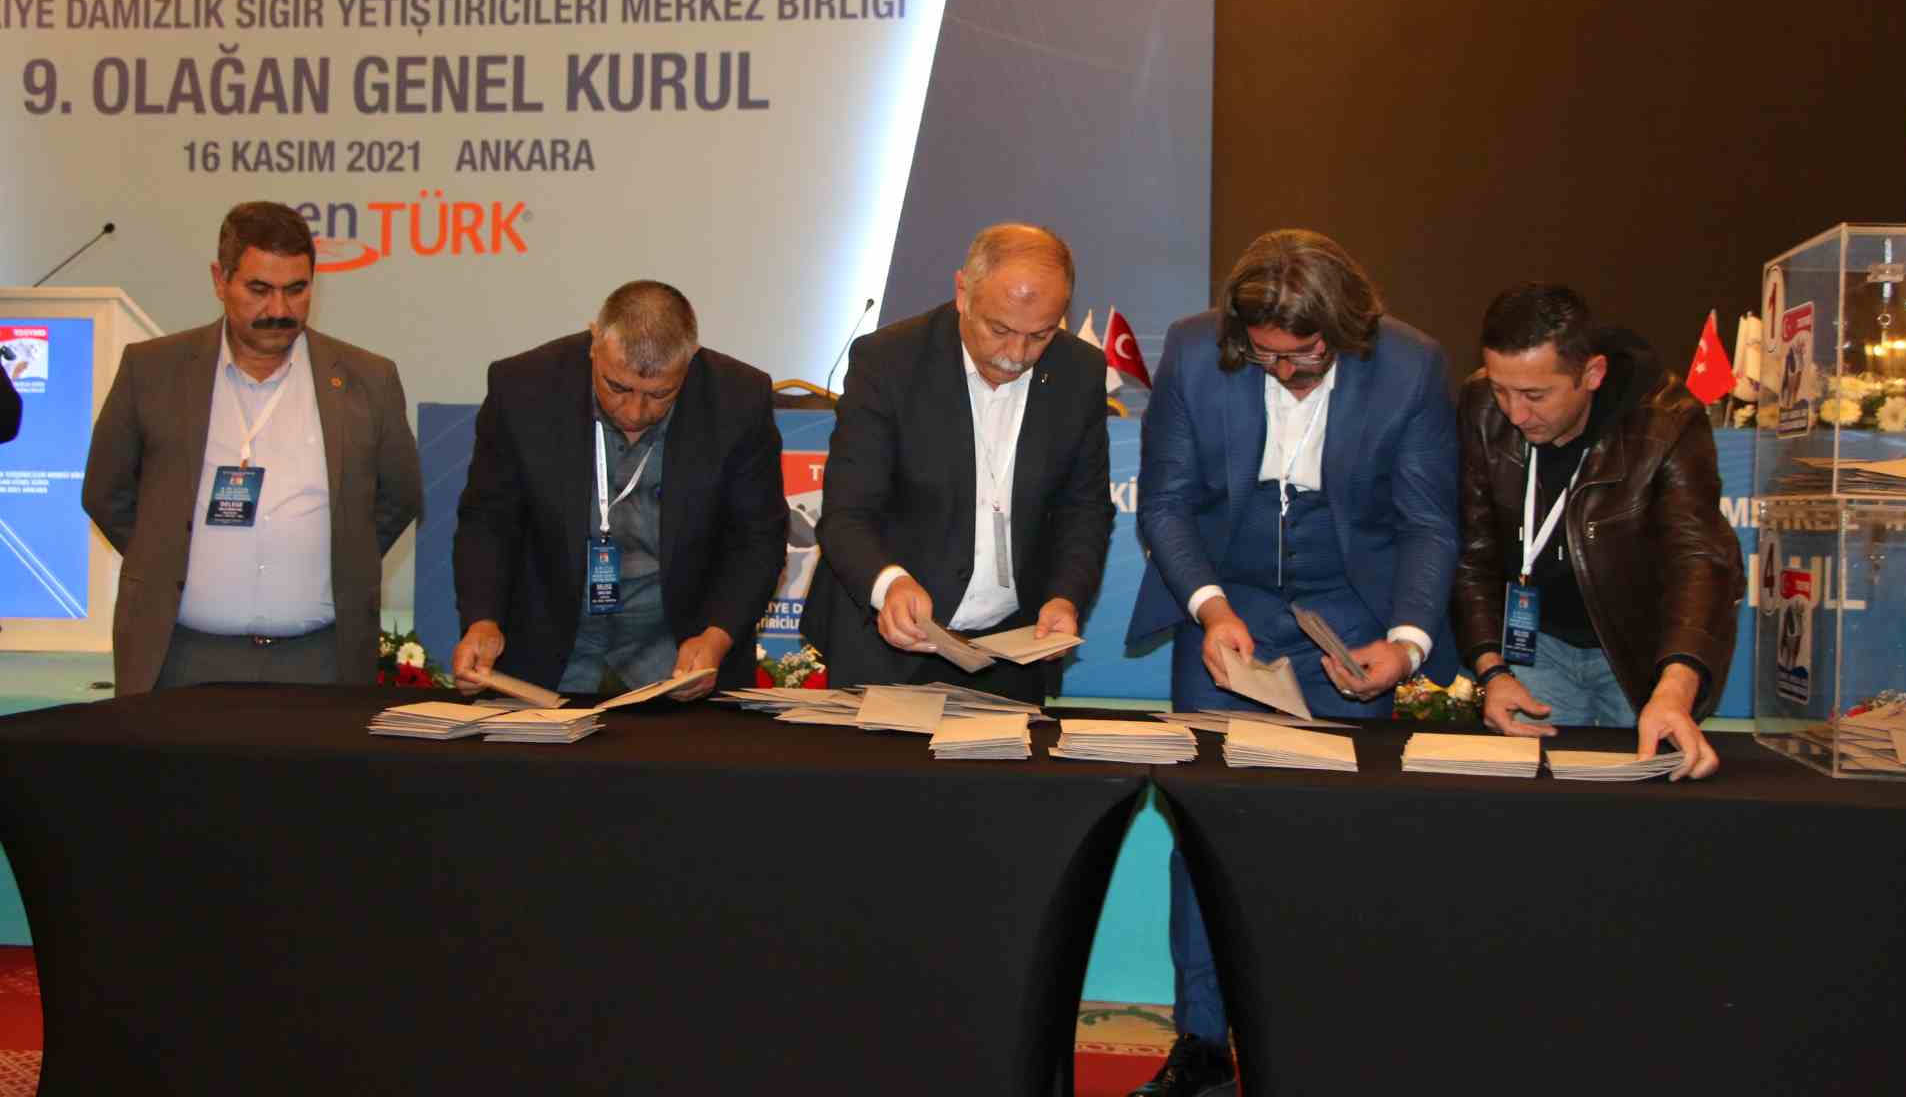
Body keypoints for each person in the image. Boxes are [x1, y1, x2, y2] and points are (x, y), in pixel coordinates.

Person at [1125, 228, 1459, 1096]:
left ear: (1346, 328)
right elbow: (1165, 504)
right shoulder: (1196, 352)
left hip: (1349, 614)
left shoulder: (1411, 366)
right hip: (1227, 609)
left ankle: (1322, 1037)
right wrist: (1210, 608)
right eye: (1265, 356)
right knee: (1203, 833)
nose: (1284, 372)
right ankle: (1203, 1043)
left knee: (1332, 837)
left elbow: (1428, 522)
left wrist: (1407, 643)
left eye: (1303, 356)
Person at [81, 201, 421, 693]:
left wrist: (342, 557)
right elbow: (106, 492)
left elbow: (399, 497)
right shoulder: (151, 370)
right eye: (259, 290)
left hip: (321, 661)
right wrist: (163, 556)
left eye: (296, 290)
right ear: (220, 281)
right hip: (179, 658)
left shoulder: (369, 378)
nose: (279, 310)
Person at [800, 222, 1114, 706]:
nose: (1016, 355)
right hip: (887, 648)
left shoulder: (1080, 372)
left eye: (1040, 335)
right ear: (963, 292)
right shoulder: (888, 361)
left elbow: (1085, 508)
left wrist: (1065, 596)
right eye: (1000, 329)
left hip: (1013, 652)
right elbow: (847, 512)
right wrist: (889, 583)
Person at [1456, 282, 1741, 779]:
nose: (1515, 414)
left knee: (1636, 798)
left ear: (1592, 373)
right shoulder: (1481, 407)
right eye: (1502, 390)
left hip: (1634, 650)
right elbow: (1473, 552)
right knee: (1533, 794)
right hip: (1535, 643)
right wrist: (1492, 670)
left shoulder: (1667, 420)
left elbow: (1699, 557)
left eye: (1535, 395)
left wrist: (1675, 687)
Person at [451, 281, 786, 696]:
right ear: (595, 342)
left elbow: (758, 538)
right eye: (617, 387)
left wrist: (716, 637)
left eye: (660, 394)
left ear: (691, 358)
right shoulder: (522, 388)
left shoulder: (738, 400)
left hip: (680, 650)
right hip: (549, 647)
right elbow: (488, 520)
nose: (635, 411)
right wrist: (482, 620)